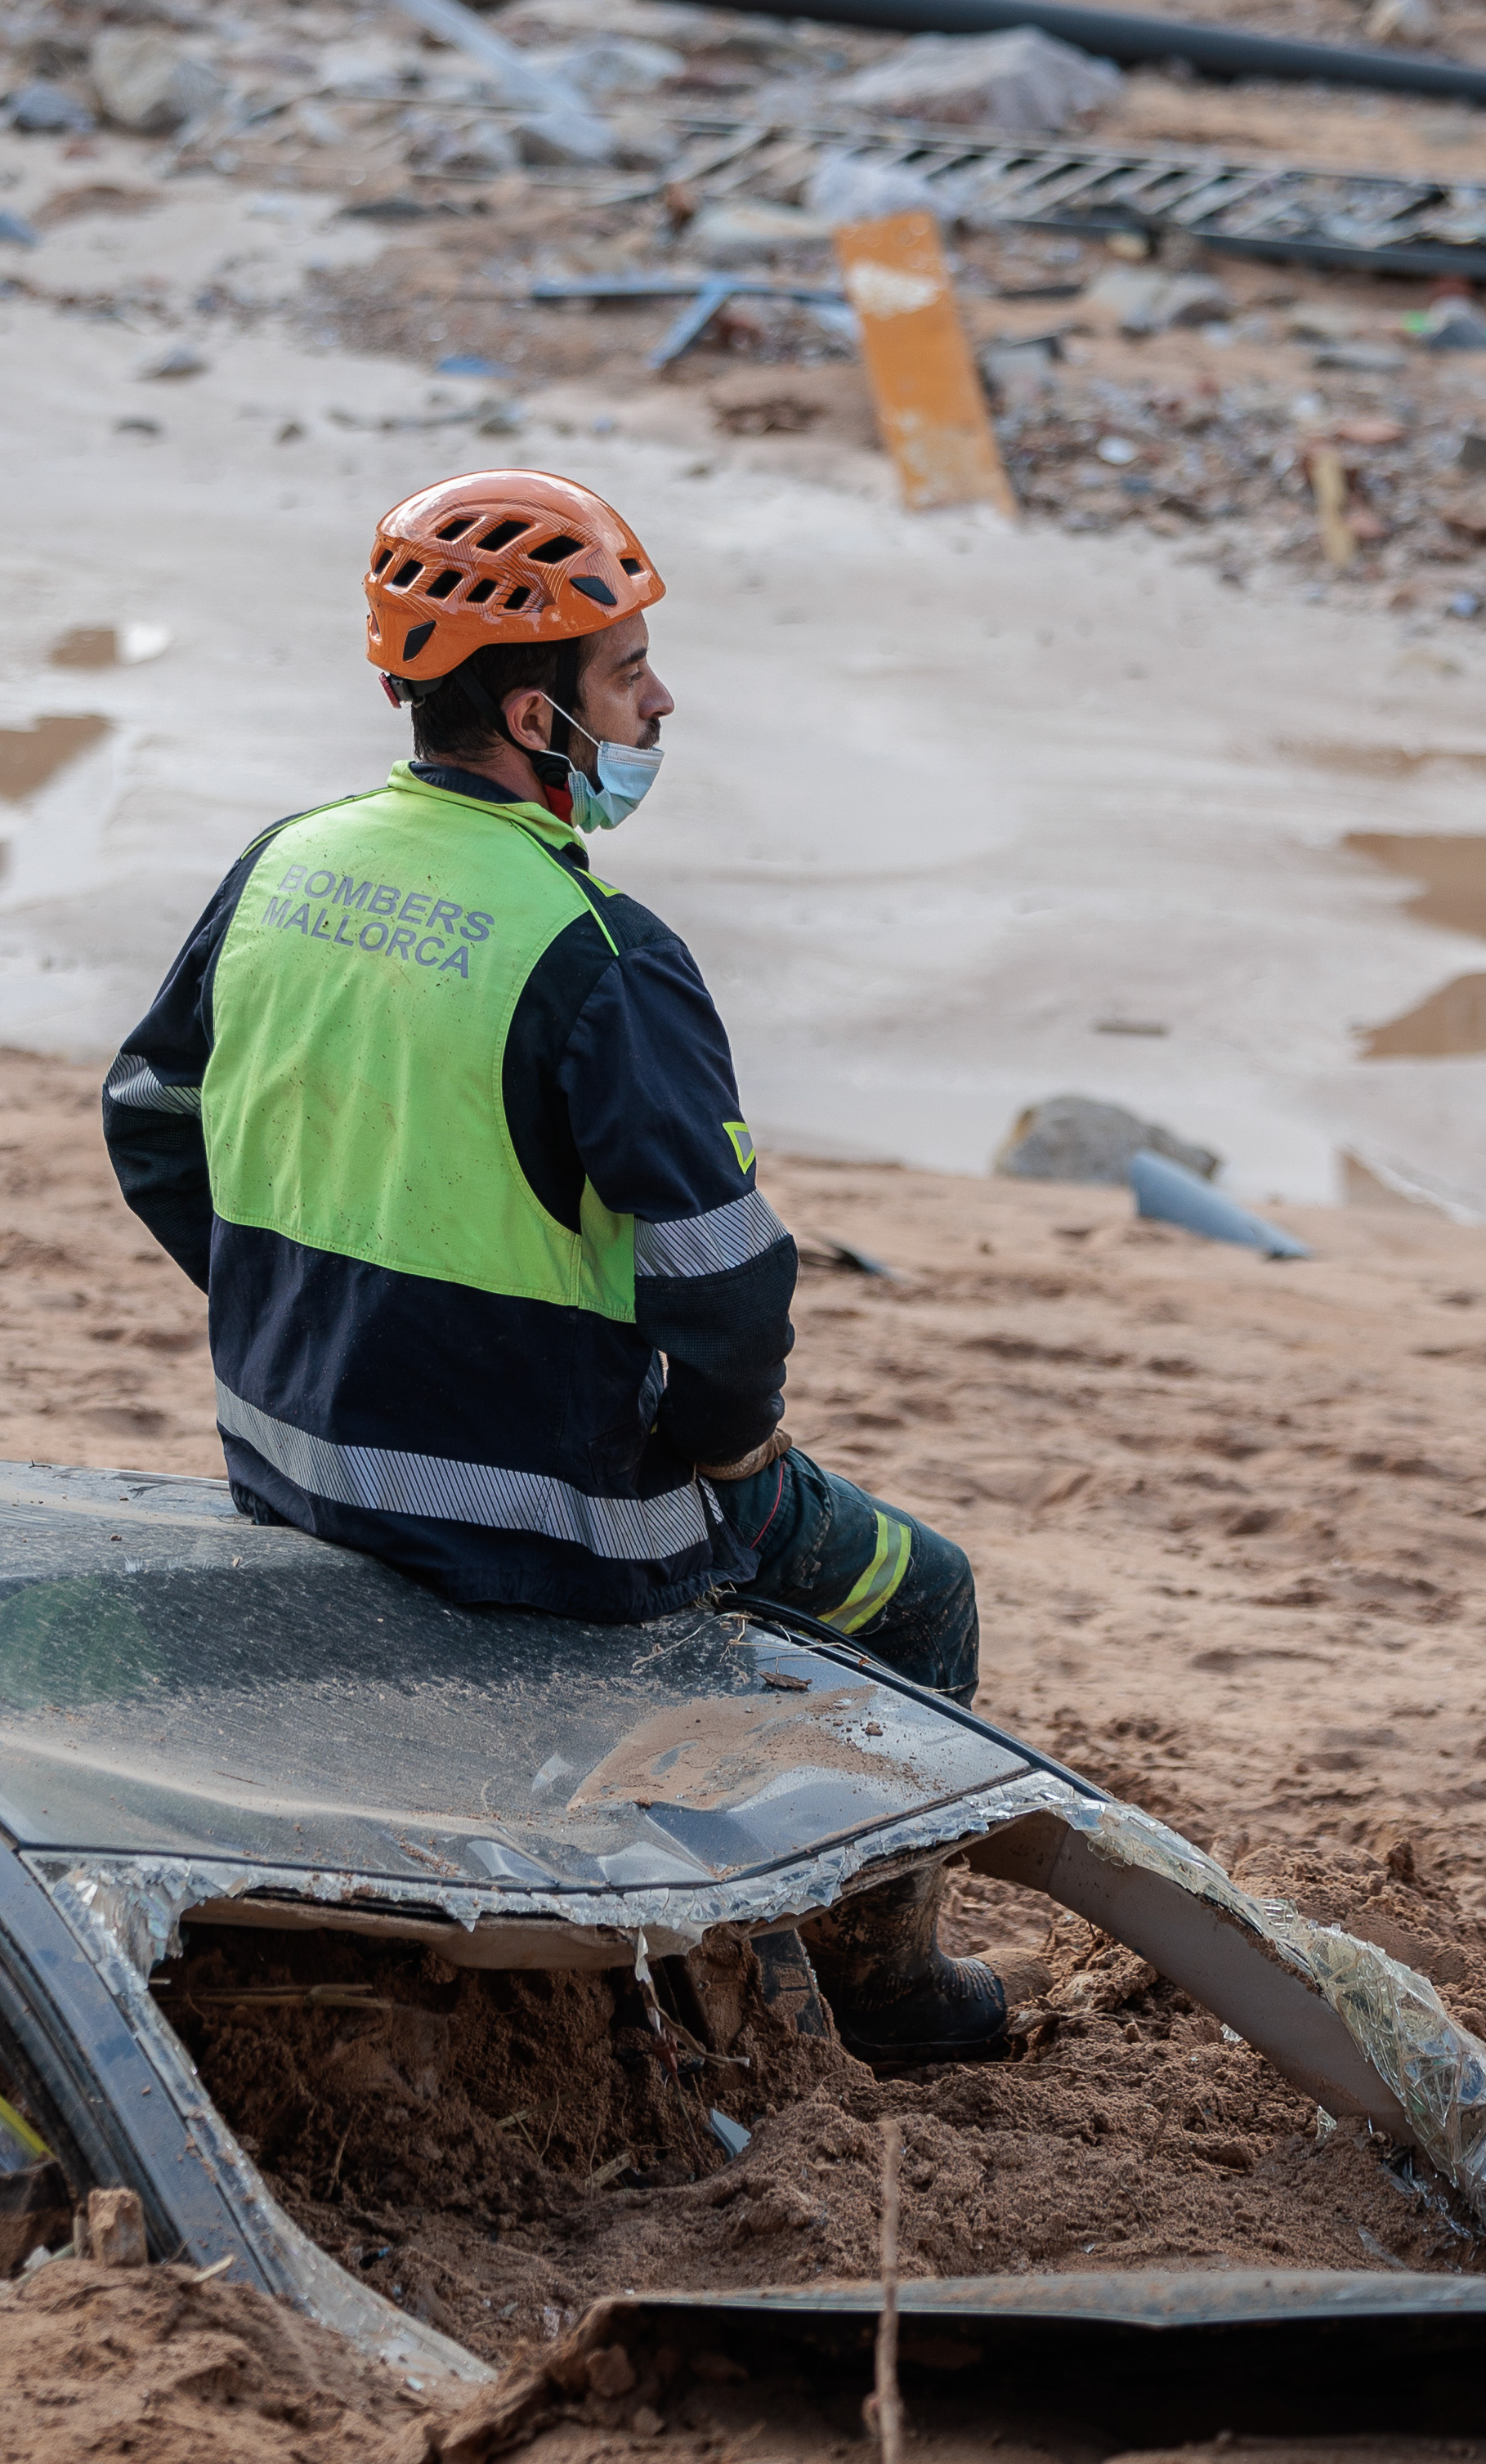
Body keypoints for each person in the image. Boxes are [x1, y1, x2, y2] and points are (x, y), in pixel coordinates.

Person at [101, 468, 1004, 2064]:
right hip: (558, 1521)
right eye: (627, 671)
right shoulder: (598, 952)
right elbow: (725, 1291)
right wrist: (727, 1442)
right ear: (537, 715)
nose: (660, 698)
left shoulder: (286, 865)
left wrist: (299, 1313)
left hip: (292, 1464)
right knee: (922, 1593)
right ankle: (891, 1994)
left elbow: (151, 1121)